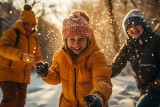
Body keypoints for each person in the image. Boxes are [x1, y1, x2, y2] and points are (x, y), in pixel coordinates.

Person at [36, 9, 112, 107]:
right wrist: (46, 73)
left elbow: (103, 80)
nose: (76, 43)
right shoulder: (60, 55)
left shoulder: (96, 57)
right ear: (65, 40)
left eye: (81, 39)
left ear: (89, 39)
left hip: (91, 104)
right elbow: (56, 77)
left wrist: (98, 95)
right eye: (72, 39)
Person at [112, 9, 160, 107]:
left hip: (157, 89)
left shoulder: (155, 41)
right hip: (145, 91)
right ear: (126, 31)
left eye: (136, 24)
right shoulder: (128, 47)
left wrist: (157, 83)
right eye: (129, 26)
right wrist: (98, 72)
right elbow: (114, 67)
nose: (133, 28)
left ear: (143, 25)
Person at [0, 3, 42, 107]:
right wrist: (21, 56)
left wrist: (40, 65)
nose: (31, 27)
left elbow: (37, 57)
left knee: (20, 103)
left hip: (23, 77)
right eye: (29, 24)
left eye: (34, 25)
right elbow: (2, 48)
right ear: (22, 22)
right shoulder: (12, 33)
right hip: (7, 73)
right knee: (11, 100)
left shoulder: (33, 40)